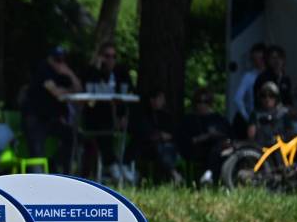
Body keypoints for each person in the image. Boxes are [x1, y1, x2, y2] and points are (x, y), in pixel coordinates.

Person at [21, 46, 81, 173]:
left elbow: (79, 90)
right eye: (57, 59)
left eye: (62, 59)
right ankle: (36, 182)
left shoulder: (62, 73)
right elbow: (56, 93)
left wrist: (69, 73)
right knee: (37, 154)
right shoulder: (43, 69)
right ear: (50, 58)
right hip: (34, 120)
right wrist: (67, 91)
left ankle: (59, 168)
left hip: (50, 120)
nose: (60, 62)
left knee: (72, 136)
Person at [82, 41, 131, 179]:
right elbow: (88, 91)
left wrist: (122, 116)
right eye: (107, 56)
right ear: (100, 57)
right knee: (102, 131)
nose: (110, 60)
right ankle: (115, 166)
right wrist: (97, 67)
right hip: (96, 117)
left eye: (113, 56)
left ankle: (123, 164)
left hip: (116, 116)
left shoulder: (120, 72)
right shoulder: (92, 71)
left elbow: (125, 94)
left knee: (138, 130)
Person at [178, 86, 231, 185]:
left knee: (219, 148)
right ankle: (209, 174)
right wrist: (203, 137)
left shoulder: (219, 119)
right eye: (199, 101)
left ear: (210, 103)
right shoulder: (189, 120)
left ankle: (211, 175)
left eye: (205, 101)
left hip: (220, 150)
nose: (202, 104)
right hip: (197, 150)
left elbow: (229, 135)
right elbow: (185, 140)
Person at [126, 89, 180, 183]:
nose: (159, 101)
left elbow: (175, 133)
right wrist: (157, 136)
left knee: (166, 149)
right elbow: (142, 133)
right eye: (157, 98)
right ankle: (174, 173)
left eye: (161, 99)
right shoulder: (144, 116)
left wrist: (168, 136)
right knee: (161, 149)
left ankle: (172, 174)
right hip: (150, 148)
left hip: (168, 147)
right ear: (151, 100)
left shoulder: (167, 117)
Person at [230, 42, 265, 138]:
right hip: (253, 119)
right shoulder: (249, 76)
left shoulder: (272, 75)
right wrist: (248, 118)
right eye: (254, 59)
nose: (258, 62)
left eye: (261, 59)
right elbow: (237, 99)